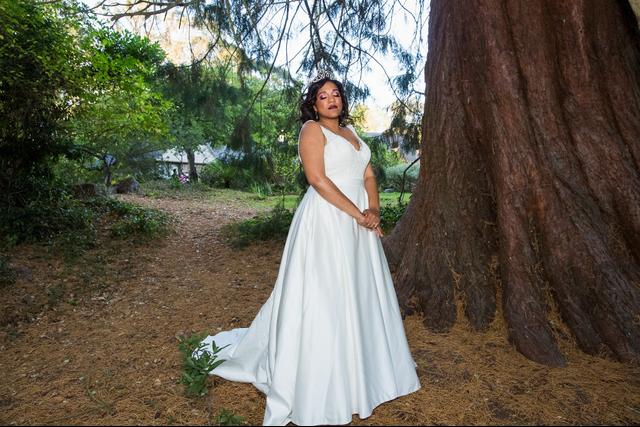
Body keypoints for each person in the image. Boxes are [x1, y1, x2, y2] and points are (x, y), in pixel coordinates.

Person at [199, 70, 421, 426]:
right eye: (323, 96)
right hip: (328, 220)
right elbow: (317, 179)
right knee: (325, 293)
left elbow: (367, 176)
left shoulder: (351, 134)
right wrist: (357, 214)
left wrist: (373, 210)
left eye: (336, 93)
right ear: (313, 104)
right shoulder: (311, 131)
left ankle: (364, 373)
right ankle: (320, 378)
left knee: (359, 294)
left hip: (358, 224)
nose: (332, 99)